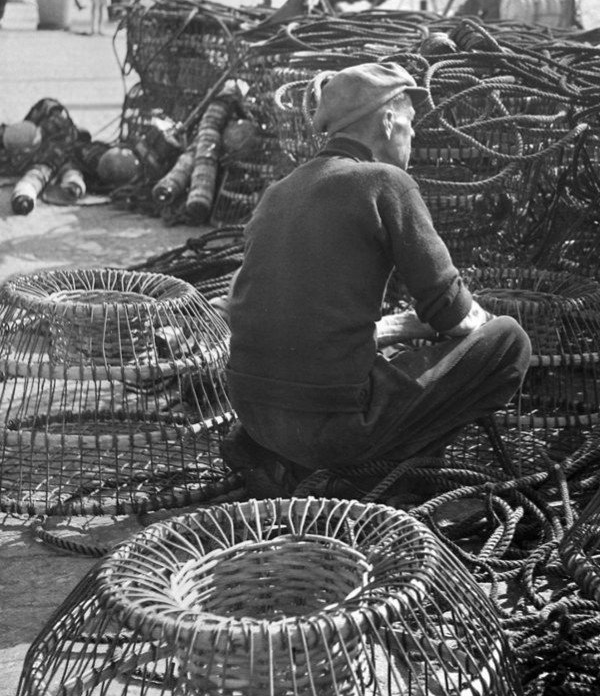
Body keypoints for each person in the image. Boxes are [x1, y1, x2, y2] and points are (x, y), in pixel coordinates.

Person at [222, 62, 532, 496]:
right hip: (333, 428)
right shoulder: (386, 182)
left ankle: (284, 463)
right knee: (509, 340)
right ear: (388, 122)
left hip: (255, 418)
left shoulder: (279, 191)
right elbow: (454, 314)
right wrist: (478, 322)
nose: (415, 135)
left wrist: (403, 326)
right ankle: (385, 476)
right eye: (410, 122)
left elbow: (294, 312)